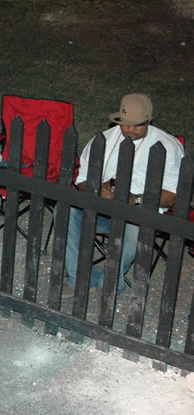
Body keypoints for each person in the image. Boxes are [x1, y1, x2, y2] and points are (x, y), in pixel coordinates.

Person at [61, 93, 184, 299]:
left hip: (138, 212)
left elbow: (172, 196)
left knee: (135, 223)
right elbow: (81, 179)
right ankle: (79, 279)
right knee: (66, 209)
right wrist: (97, 189)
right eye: (125, 124)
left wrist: (135, 199)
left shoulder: (169, 147)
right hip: (101, 209)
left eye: (136, 125)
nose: (129, 129)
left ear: (150, 120)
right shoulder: (103, 139)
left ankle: (109, 283)